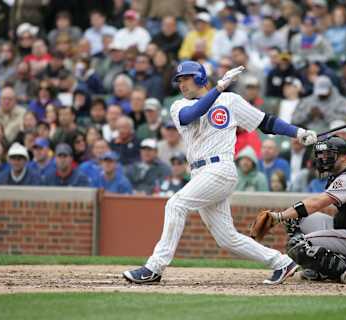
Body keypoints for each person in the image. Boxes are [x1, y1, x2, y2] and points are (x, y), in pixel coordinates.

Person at [123, 60, 317, 284]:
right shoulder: (178, 106)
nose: (182, 84)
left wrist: (298, 133)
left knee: (175, 204)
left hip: (220, 168)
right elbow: (193, 113)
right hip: (200, 172)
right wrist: (219, 88)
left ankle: (154, 268)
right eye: (179, 80)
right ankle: (281, 262)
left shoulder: (229, 100)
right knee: (227, 239)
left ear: (200, 78)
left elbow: (265, 122)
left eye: (187, 78)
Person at [250, 136, 346, 284]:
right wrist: (285, 216)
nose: (324, 159)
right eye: (323, 155)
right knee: (295, 219)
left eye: (329, 154)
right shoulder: (345, 173)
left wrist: (279, 216)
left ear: (344, 156)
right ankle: (322, 270)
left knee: (298, 245)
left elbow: (316, 203)